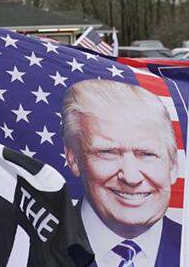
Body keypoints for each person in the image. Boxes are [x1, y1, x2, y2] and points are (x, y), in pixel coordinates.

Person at [62, 79, 181, 267]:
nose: (131, 177)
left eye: (147, 154)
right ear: (73, 158)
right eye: (108, 153)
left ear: (173, 164)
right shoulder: (29, 246)